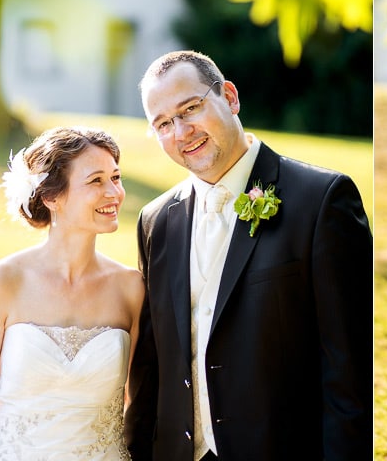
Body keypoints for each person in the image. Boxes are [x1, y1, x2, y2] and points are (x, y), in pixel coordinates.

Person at [124, 50, 372, 460]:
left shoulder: (322, 201)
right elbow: (150, 371)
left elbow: (350, 371)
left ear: (231, 97)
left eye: (191, 108)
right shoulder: (155, 222)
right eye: (163, 124)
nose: (181, 131)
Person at [0, 126, 144, 460]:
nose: (114, 192)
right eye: (96, 181)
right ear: (51, 197)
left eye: (116, 177)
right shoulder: (2, 283)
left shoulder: (131, 288)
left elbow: (140, 403)